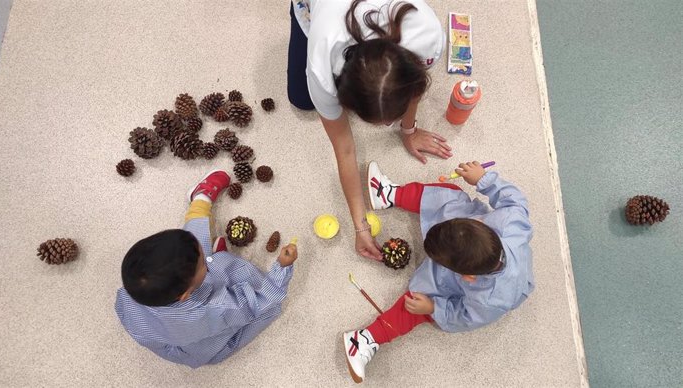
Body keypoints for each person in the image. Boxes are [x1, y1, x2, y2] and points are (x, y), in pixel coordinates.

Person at [288, 0, 453, 260]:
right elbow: (344, 148)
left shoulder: (427, 36)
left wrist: (409, 130)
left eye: (392, 119)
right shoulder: (323, 66)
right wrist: (360, 224)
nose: (388, 125)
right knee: (301, 99)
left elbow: (415, 87)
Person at [342, 161, 534, 383]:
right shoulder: (511, 221)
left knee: (417, 304)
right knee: (450, 195)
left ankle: (365, 339)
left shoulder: (489, 300)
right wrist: (483, 179)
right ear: (480, 224)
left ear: (466, 277)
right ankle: (388, 194)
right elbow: (514, 198)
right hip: (468, 238)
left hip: (468, 285)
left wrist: (434, 307)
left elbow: (464, 317)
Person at [115, 170, 298, 368]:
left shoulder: (132, 291)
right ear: (185, 294)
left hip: (165, 334)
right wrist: (282, 267)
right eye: (203, 262)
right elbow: (260, 302)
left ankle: (200, 199)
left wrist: (201, 259)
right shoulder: (214, 310)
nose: (203, 254)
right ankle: (214, 252)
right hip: (201, 347)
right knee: (269, 309)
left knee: (188, 252)